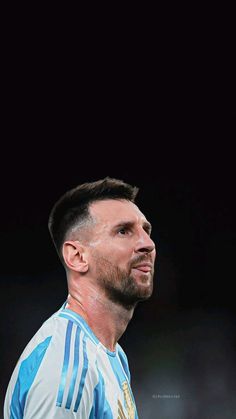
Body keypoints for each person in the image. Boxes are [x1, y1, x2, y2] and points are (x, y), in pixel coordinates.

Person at [4, 177, 156, 418]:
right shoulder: (69, 368)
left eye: (146, 231)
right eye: (124, 231)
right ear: (77, 257)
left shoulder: (110, 353)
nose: (147, 244)